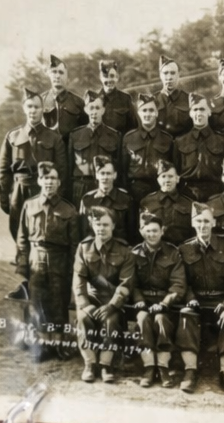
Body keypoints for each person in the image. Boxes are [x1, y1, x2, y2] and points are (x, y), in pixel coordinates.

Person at [176, 204, 224, 395]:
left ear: (214, 222)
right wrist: (190, 298)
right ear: (192, 223)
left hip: (221, 301)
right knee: (186, 314)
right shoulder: (184, 248)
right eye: (199, 221)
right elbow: (182, 281)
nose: (203, 225)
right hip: (196, 301)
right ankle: (190, 370)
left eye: (206, 221)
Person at [14, 162, 80, 360]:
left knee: (58, 302)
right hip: (36, 257)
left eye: (53, 178)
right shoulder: (30, 205)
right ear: (39, 181)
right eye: (46, 178)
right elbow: (22, 238)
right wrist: (23, 265)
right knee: (38, 302)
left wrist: (73, 269)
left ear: (59, 182)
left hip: (60, 258)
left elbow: (75, 244)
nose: (49, 182)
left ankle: (57, 345)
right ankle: (42, 345)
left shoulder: (69, 210)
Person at [73, 203, 136, 384]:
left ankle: (106, 364)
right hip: (91, 298)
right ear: (92, 225)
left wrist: (113, 305)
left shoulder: (125, 251)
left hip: (112, 299)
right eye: (98, 224)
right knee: (83, 318)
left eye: (106, 224)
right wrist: (85, 304)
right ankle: (90, 363)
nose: (102, 228)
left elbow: (126, 283)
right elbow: (79, 279)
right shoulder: (84, 248)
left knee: (111, 321)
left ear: (113, 226)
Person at [0, 87, 67, 240]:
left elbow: (62, 170)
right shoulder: (13, 136)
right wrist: (4, 196)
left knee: (42, 229)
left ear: (43, 110)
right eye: (29, 106)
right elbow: (3, 170)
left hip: (44, 189)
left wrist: (57, 196)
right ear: (24, 108)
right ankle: (22, 260)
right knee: (17, 227)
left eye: (37, 107)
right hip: (19, 189)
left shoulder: (54, 137)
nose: (33, 111)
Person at [130, 209, 187, 388]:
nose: (152, 234)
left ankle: (162, 366)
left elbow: (178, 284)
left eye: (155, 230)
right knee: (142, 319)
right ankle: (149, 366)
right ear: (141, 231)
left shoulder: (173, 253)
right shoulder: (134, 253)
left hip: (165, 302)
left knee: (161, 320)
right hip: (143, 301)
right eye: (148, 230)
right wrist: (138, 300)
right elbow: (131, 283)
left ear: (162, 231)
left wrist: (165, 303)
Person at [121, 94, 174, 233]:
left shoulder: (166, 139)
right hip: (135, 191)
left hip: (157, 189)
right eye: (144, 110)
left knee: (157, 229)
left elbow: (173, 168)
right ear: (138, 112)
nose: (148, 114)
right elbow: (122, 168)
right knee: (134, 229)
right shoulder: (129, 138)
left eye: (151, 110)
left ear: (157, 112)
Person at [173, 93, 224, 204]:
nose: (199, 113)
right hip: (187, 194)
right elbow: (175, 170)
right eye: (195, 110)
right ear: (190, 113)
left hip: (215, 194)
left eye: (202, 109)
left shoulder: (222, 142)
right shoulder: (179, 142)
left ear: (209, 112)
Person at [69, 90, 121, 207]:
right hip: (81, 187)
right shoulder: (76, 135)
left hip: (105, 186)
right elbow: (69, 166)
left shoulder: (114, 136)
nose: (94, 112)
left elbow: (119, 166)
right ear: (86, 110)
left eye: (97, 108)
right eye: (91, 108)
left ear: (103, 110)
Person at [139, 160, 194, 249]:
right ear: (158, 180)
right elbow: (142, 229)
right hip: (155, 249)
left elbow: (193, 233)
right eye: (163, 176)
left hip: (181, 249)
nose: (167, 180)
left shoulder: (189, 203)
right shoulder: (147, 202)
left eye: (171, 176)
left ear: (177, 179)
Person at [78, 155, 131, 239]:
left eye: (108, 173)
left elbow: (131, 230)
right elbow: (83, 230)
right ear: (97, 175)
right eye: (102, 173)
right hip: (93, 245)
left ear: (115, 175)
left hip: (118, 247)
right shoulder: (87, 200)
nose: (105, 177)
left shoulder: (125, 198)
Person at [42, 55, 87, 143]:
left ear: (67, 77)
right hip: (47, 152)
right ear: (49, 75)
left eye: (61, 72)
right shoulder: (41, 101)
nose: (57, 76)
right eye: (54, 72)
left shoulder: (78, 102)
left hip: (69, 152)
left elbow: (85, 132)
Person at [97, 57, 138, 136]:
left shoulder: (125, 99)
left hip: (119, 145)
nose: (109, 80)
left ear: (117, 77)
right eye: (106, 76)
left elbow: (133, 128)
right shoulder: (93, 99)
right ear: (100, 78)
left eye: (112, 76)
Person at [156, 57, 192, 137]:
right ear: (160, 75)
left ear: (178, 75)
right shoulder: (152, 101)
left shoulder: (189, 99)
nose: (169, 77)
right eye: (165, 73)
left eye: (173, 73)